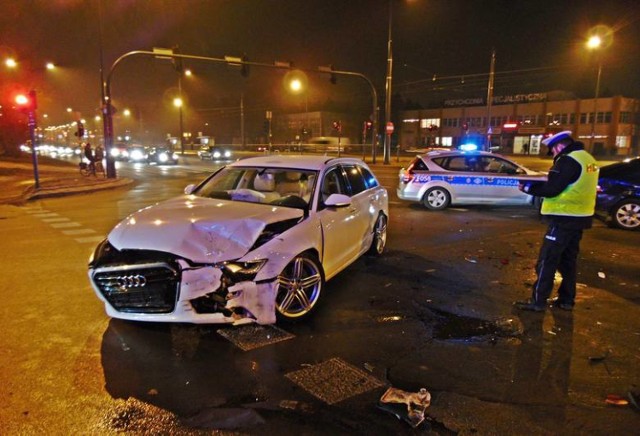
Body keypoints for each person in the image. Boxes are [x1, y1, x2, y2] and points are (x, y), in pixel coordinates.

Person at [514, 131, 599, 312]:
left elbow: (553, 189)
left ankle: (538, 302)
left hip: (563, 219)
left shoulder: (567, 160)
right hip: (581, 217)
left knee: (547, 261)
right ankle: (566, 300)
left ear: (559, 146)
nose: (553, 155)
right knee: (568, 261)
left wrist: (528, 187)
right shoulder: (587, 158)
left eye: (552, 151)